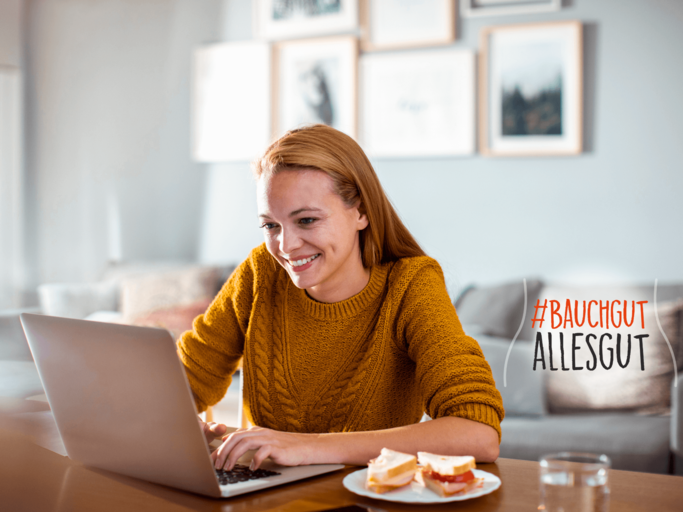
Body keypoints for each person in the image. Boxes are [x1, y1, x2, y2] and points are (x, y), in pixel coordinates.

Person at [177, 124, 504, 472]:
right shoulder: (260, 273)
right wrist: (173, 420)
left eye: (306, 220)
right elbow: (183, 381)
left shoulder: (411, 285)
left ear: (360, 212)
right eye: (271, 226)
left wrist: (310, 447)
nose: (286, 247)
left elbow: (478, 434)